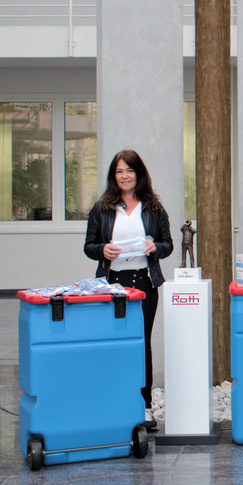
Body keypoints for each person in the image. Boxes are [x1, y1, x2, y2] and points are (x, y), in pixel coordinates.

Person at [84, 150, 173, 432]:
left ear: (138, 174)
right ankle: (114, 404)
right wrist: (102, 250)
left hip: (144, 283)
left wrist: (155, 248)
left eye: (129, 171)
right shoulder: (102, 208)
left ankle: (144, 408)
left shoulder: (154, 208)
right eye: (119, 171)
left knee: (141, 344)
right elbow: (89, 246)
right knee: (115, 344)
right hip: (112, 284)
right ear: (114, 176)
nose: (124, 176)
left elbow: (168, 244)